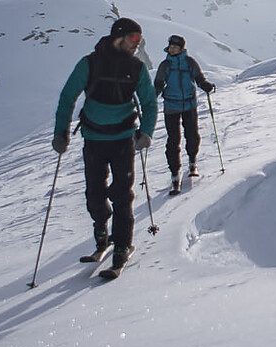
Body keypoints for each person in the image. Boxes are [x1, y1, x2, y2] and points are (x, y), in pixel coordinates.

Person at [53, 17, 158, 271]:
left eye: (140, 39)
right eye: (133, 38)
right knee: (95, 195)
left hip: (123, 139)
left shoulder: (136, 68)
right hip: (94, 139)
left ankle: (122, 245)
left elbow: (149, 102)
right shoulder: (89, 64)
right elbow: (67, 96)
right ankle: (102, 232)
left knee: (122, 194)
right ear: (118, 37)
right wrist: (60, 133)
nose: (137, 43)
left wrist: (146, 132)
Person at [153, 34, 215, 189]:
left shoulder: (190, 62)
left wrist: (206, 85)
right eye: (171, 47)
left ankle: (192, 160)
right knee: (173, 140)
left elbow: (199, 79)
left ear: (181, 48)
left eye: (175, 47)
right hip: (171, 106)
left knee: (192, 135)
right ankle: (174, 171)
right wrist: (153, 94)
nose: (172, 49)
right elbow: (159, 83)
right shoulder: (165, 65)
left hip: (189, 105)